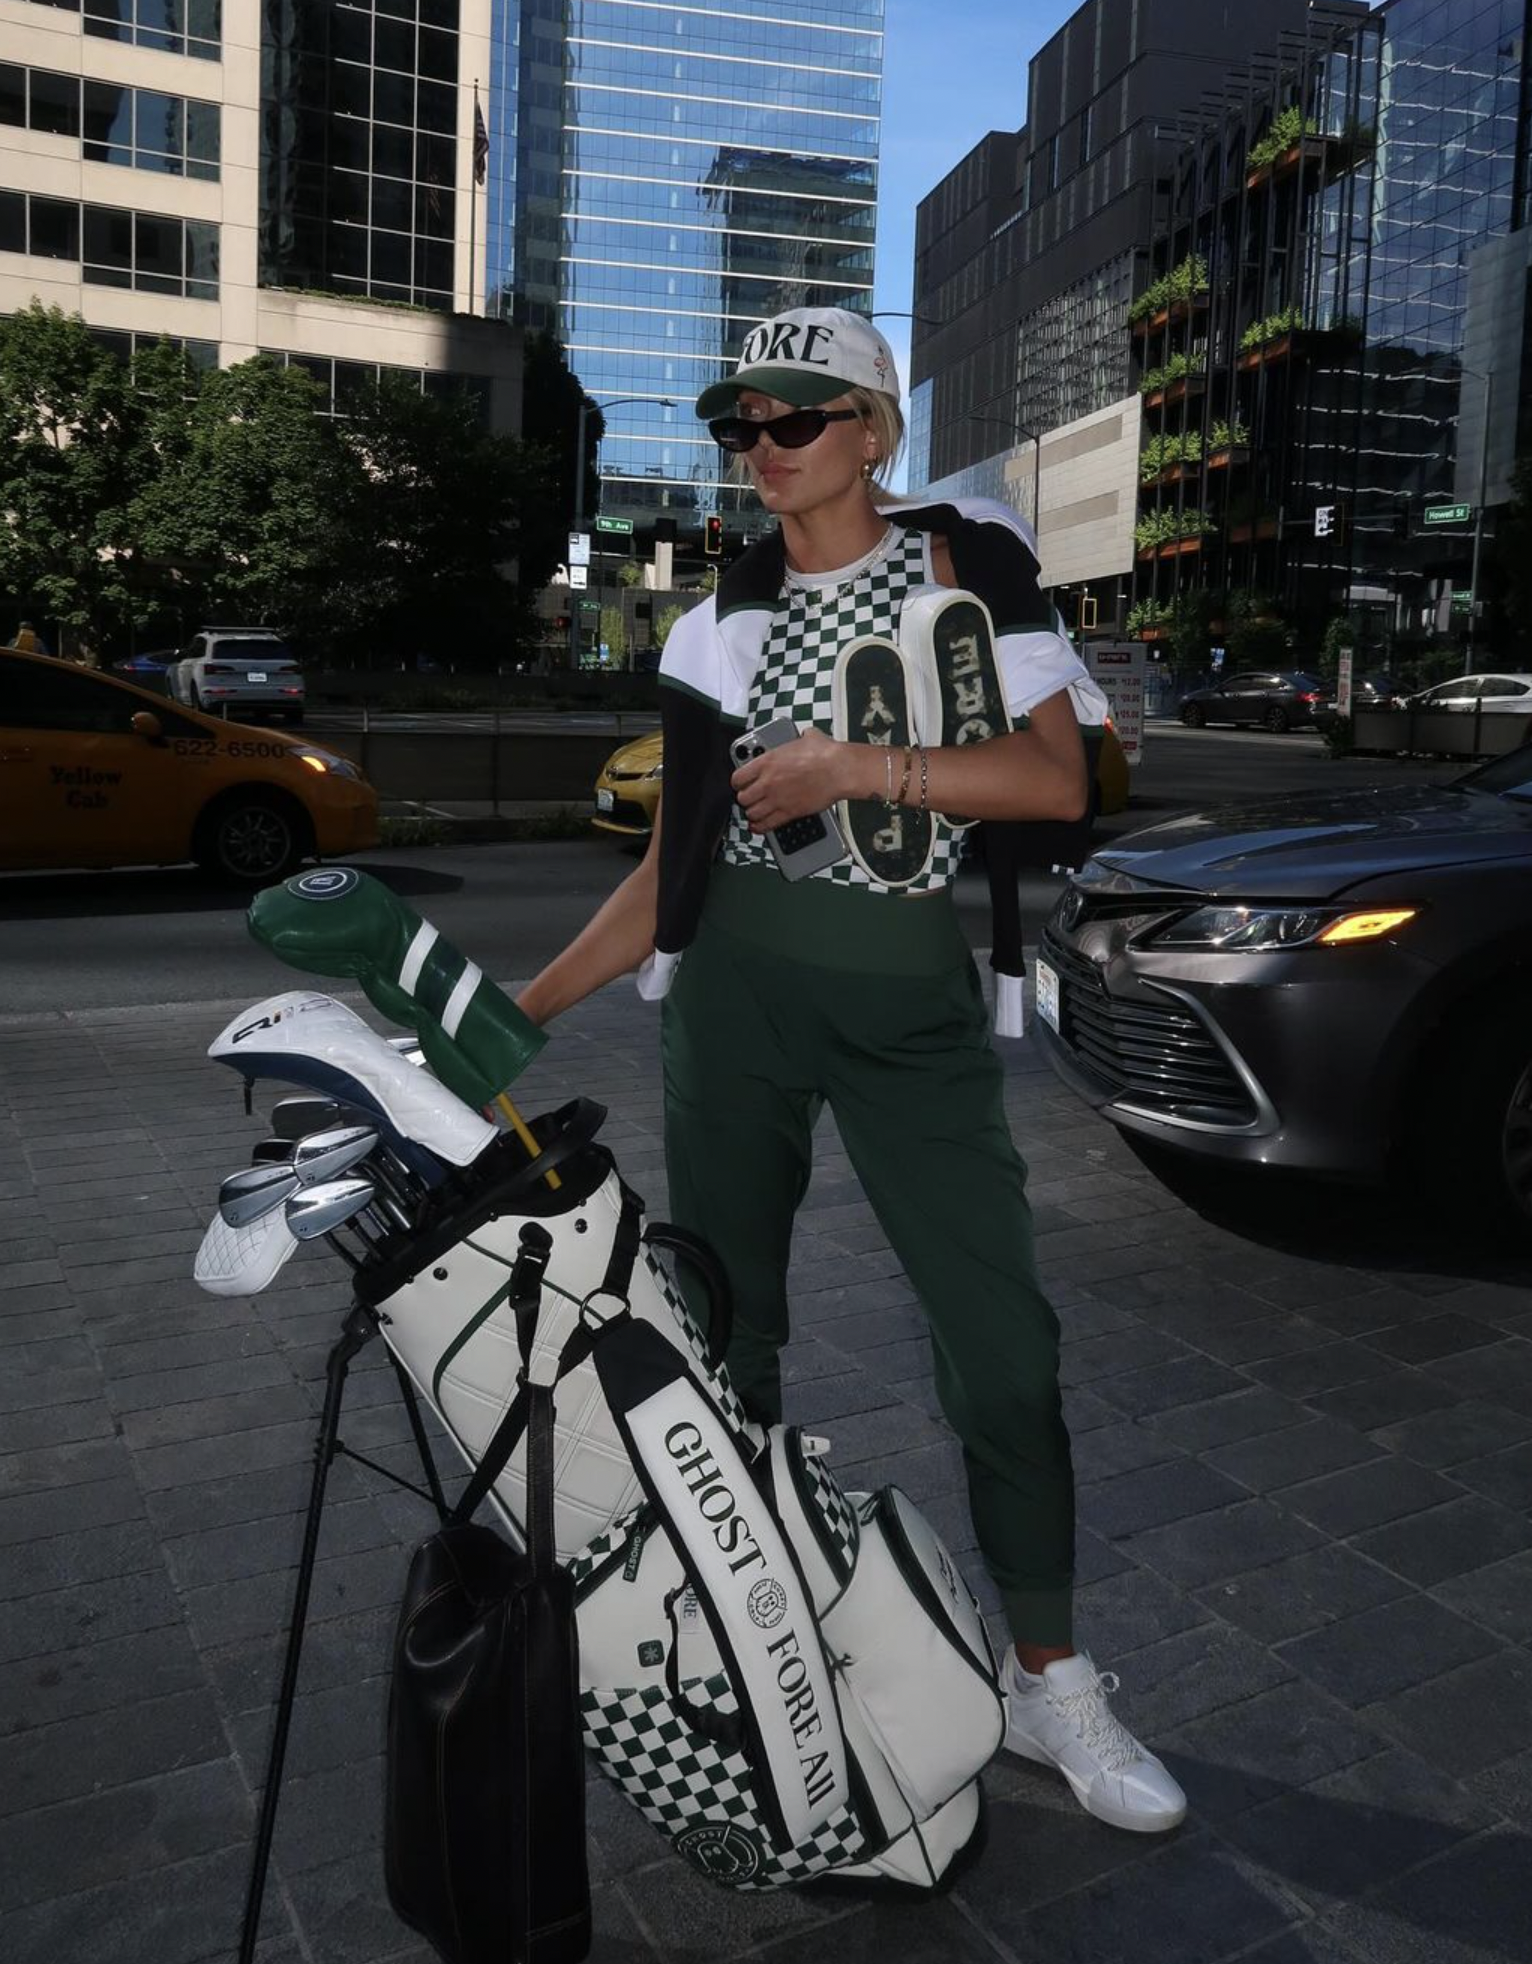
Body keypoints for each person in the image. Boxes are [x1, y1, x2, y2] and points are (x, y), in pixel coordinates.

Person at [517, 307, 1186, 1835]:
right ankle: (761, 1648)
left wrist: (855, 768)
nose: (763, 447)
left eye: (797, 418)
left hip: (908, 1005)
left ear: (874, 432)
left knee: (1003, 1351)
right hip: (734, 1000)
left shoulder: (970, 569)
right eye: (741, 425)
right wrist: (521, 1008)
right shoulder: (717, 622)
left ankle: (1052, 1682)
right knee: (727, 1340)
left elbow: (1052, 780)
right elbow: (672, 865)